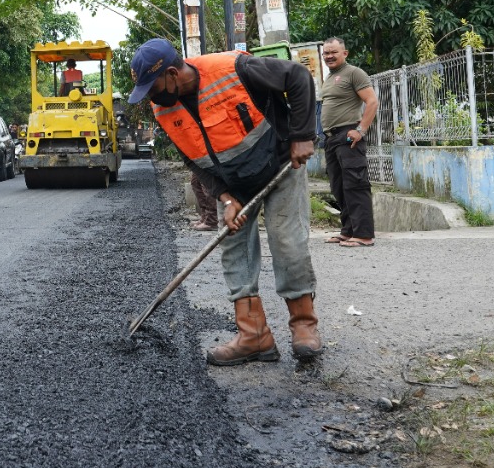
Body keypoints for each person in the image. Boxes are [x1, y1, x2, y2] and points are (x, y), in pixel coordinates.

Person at [128, 37, 323, 367]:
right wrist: (225, 197)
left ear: (173, 74)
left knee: (287, 242)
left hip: (279, 166)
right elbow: (193, 159)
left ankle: (304, 326)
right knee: (235, 254)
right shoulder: (164, 108)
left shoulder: (235, 68)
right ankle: (254, 336)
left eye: (153, 86)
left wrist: (303, 135)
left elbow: (298, 77)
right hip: (234, 186)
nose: (150, 95)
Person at [319, 37, 379, 248]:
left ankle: (364, 234)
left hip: (348, 136)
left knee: (355, 184)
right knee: (339, 187)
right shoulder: (330, 77)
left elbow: (372, 101)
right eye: (326, 53)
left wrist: (361, 130)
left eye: (333, 52)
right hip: (331, 138)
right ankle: (348, 231)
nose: (329, 56)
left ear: (345, 53)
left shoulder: (354, 73)